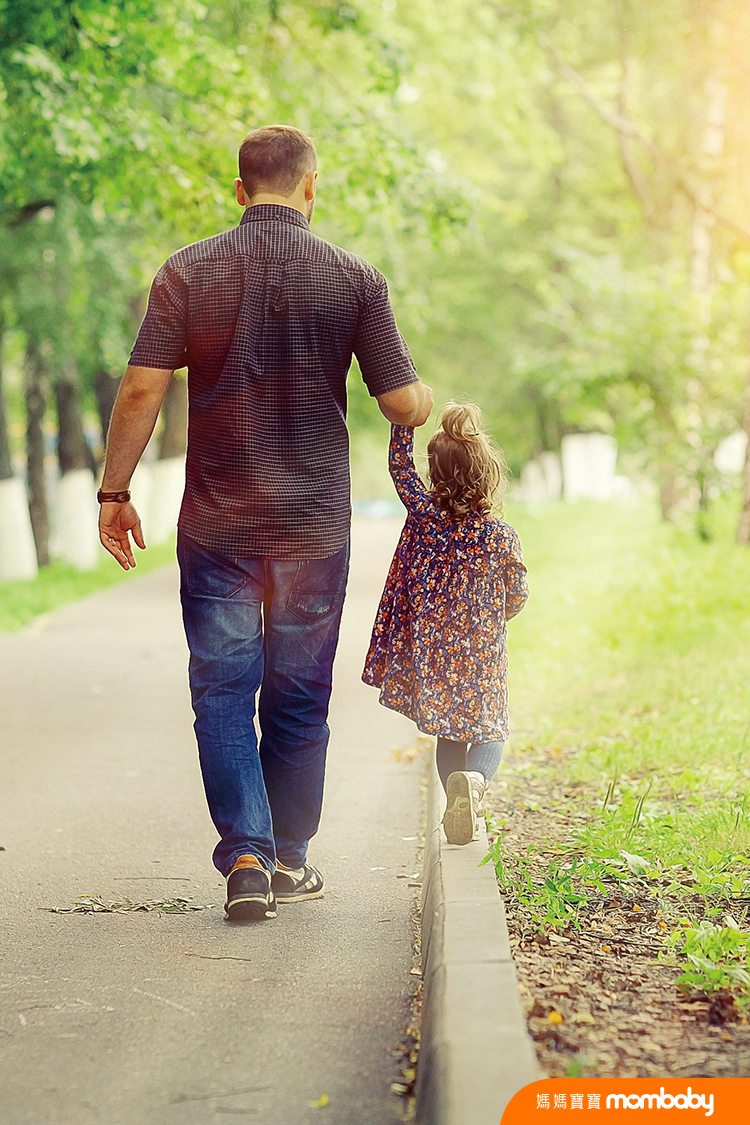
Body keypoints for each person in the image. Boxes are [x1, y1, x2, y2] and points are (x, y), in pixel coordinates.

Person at [97, 124, 433, 921]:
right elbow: (399, 400)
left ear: (240, 190)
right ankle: (289, 857)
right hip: (314, 526)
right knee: (297, 693)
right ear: (311, 188)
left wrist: (114, 492)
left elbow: (142, 390)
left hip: (218, 526)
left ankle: (245, 854)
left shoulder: (186, 271)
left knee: (220, 689)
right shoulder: (355, 279)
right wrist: (422, 402)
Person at [362, 403, 528, 845]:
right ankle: (474, 785)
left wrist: (404, 411)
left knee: (449, 732)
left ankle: (456, 797)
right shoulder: (500, 536)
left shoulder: (426, 519)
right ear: (488, 474)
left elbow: (399, 464)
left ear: (435, 474)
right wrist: (496, 616)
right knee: (492, 729)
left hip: (435, 655)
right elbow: (518, 595)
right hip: (482, 653)